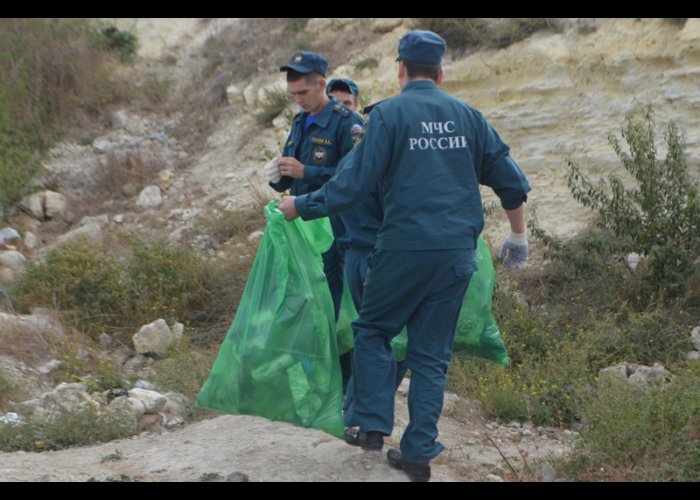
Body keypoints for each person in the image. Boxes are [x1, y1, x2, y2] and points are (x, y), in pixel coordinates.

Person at [278, 30, 531, 481]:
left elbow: (351, 186)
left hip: (402, 250)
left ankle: (373, 426)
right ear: (440, 72)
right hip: (456, 255)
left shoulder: (387, 116)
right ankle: (417, 456)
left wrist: (301, 205)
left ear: (400, 70)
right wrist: (518, 237)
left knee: (373, 330)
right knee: (432, 356)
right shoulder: (470, 117)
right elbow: (511, 182)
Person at [263, 51, 364, 393]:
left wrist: (309, 172)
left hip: (337, 231)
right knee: (306, 305)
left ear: (321, 84)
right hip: (303, 230)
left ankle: (342, 382)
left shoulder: (346, 123)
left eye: (303, 93)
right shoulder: (299, 121)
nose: (298, 100)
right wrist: (278, 177)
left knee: (335, 308)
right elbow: (292, 177)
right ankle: (313, 376)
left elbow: (356, 179)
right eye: (292, 95)